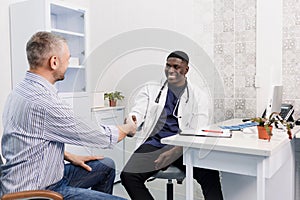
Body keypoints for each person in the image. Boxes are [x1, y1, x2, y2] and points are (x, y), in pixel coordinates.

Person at [0, 31, 136, 200]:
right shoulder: (44, 101)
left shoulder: (19, 92)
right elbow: (101, 137)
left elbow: (28, 137)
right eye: (68, 58)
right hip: (38, 191)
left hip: (33, 179)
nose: (69, 63)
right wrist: (128, 128)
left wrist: (69, 156)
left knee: (106, 166)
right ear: (54, 62)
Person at [120, 51, 223, 200]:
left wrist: (175, 152)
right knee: (128, 176)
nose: (171, 70)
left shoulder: (199, 96)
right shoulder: (151, 89)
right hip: (156, 144)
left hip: (185, 147)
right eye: (168, 65)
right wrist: (132, 121)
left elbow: (197, 130)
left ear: (186, 70)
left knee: (210, 174)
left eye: (176, 66)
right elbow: (138, 111)